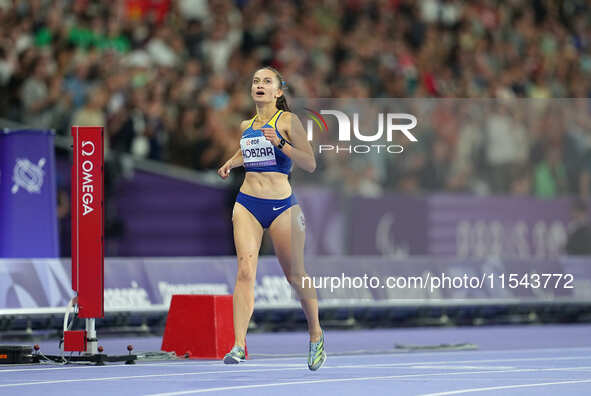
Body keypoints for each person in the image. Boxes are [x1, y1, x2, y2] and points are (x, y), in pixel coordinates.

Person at [217, 66, 325, 371]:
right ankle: (239, 344)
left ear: (278, 92)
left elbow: (310, 162)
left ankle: (315, 333)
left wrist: (280, 143)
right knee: (245, 271)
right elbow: (248, 150)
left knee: (295, 275)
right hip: (247, 203)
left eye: (267, 81)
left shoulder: (288, 121)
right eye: (255, 81)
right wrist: (230, 162)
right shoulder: (246, 124)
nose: (259, 85)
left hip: (282, 207)